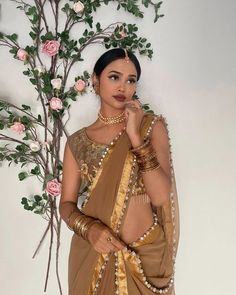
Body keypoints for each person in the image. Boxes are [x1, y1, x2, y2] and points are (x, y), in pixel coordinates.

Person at [59, 48, 179, 295]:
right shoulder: (77, 142)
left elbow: (159, 197)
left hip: (145, 257)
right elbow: (67, 204)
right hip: (92, 256)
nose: (123, 86)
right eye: (114, 77)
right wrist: (88, 229)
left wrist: (135, 137)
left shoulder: (149, 127)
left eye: (130, 80)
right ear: (95, 79)